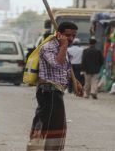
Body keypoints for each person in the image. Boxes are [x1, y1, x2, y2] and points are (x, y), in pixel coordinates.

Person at [27, 22, 83, 151]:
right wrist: (64, 46)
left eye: (73, 36)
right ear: (59, 34)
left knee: (54, 125)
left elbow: (65, 68)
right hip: (48, 91)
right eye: (67, 35)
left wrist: (76, 82)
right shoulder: (48, 47)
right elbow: (56, 64)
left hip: (56, 92)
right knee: (49, 126)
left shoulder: (63, 48)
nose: (71, 38)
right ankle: (37, 148)